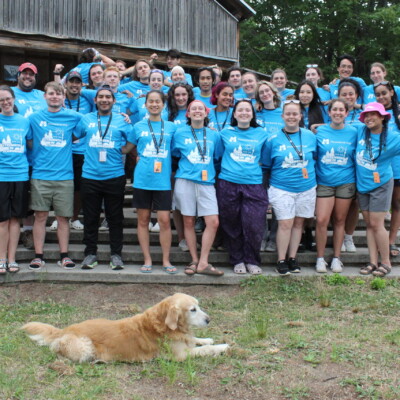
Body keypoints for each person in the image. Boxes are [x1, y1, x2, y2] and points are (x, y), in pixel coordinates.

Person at [74, 85, 132, 270]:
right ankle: (90, 253)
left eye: (108, 97)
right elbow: (74, 136)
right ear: (95, 100)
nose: (104, 100)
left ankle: (116, 254)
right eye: (101, 97)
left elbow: (132, 139)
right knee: (90, 217)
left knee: (115, 218)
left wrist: (124, 150)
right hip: (90, 176)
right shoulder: (86, 119)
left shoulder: (122, 120)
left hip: (114, 175)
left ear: (114, 101)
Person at [27, 81, 82, 270]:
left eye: (58, 94)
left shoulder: (73, 116)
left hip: (64, 176)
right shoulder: (34, 118)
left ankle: (64, 256)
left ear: (63, 97)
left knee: (63, 218)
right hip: (40, 175)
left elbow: (92, 122)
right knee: (40, 216)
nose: (55, 96)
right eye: (51, 93)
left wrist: (123, 116)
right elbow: (28, 140)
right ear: (45, 96)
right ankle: (38, 256)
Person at [122, 90, 178, 274]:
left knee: (164, 221)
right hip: (142, 180)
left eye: (157, 101)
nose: (154, 104)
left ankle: (166, 260)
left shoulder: (171, 127)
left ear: (163, 105)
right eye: (151, 101)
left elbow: (179, 147)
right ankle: (147, 259)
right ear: (145, 104)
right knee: (143, 220)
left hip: (163, 181)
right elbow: (127, 148)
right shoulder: (138, 126)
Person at [264, 99, 317, 275]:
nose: (291, 117)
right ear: (282, 116)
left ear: (301, 116)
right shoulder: (272, 139)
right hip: (281, 187)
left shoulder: (310, 136)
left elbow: (315, 158)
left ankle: (292, 257)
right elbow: (266, 165)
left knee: (299, 223)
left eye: (295, 114)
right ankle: (281, 259)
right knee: (285, 222)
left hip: (306, 186)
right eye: (288, 114)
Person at [172, 100, 224, 276]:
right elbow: (175, 153)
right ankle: (194, 260)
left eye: (200, 108)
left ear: (206, 112)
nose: (197, 111)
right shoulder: (179, 133)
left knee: (213, 222)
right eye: (193, 109)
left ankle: (203, 261)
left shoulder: (214, 135)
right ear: (188, 113)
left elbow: (216, 156)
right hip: (185, 180)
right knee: (188, 221)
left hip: (206, 182)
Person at [217, 100, 269, 275]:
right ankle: (237, 259)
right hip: (228, 182)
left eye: (248, 110)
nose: (244, 113)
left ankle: (252, 260)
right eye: (240, 110)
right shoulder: (225, 133)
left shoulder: (262, 134)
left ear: (253, 114)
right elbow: (218, 155)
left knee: (254, 224)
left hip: (253, 183)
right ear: (234, 114)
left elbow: (266, 158)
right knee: (231, 223)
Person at [356, 102, 400, 277]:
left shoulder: (393, 137)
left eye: (373, 114)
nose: (369, 118)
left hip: (381, 183)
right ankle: (373, 262)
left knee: (376, 223)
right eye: (366, 115)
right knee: (369, 224)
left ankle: (386, 262)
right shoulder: (360, 131)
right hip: (362, 184)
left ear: (382, 117)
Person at [314, 100, 358, 273]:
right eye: (335, 109)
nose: (338, 112)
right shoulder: (319, 131)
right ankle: (320, 258)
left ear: (347, 113)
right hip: (324, 181)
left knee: (340, 220)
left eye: (341, 110)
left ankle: (336, 258)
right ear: (329, 112)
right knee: (322, 220)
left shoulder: (354, 131)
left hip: (346, 181)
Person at [12, 62, 47, 250]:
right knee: (12, 195)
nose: (27, 77)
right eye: (24, 73)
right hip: (13, 156)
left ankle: (27, 231)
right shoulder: (8, 93)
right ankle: (10, 229)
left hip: (37, 156)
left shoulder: (42, 96)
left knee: (30, 197)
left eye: (31, 74)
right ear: (18, 75)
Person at [0, 86, 30, 273]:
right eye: (1, 100)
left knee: (15, 219)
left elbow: (31, 145)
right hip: (1, 176)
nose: (5, 102)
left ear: (13, 99)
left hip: (20, 175)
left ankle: (12, 259)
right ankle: (1, 258)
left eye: (7, 99)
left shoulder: (24, 121)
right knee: (2, 220)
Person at [63, 71, 94, 231]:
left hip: (82, 151)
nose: (74, 85)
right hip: (63, 151)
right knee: (62, 186)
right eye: (71, 82)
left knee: (78, 188)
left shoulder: (87, 100)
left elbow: (105, 96)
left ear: (82, 85)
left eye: (78, 82)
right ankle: (60, 218)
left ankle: (74, 218)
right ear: (66, 84)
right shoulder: (60, 100)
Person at [167, 83, 195, 251]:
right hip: (172, 161)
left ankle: (191, 235)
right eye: (177, 95)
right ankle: (182, 238)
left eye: (184, 94)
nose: (180, 98)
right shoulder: (167, 114)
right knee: (177, 203)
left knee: (192, 202)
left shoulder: (195, 111)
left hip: (192, 161)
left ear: (189, 95)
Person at [373, 81, 400, 257]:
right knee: (380, 207)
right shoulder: (373, 113)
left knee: (396, 204)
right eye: (378, 94)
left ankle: (390, 241)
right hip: (379, 168)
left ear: (391, 92)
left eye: (384, 93)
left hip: (397, 166)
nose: (381, 97)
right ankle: (379, 239)